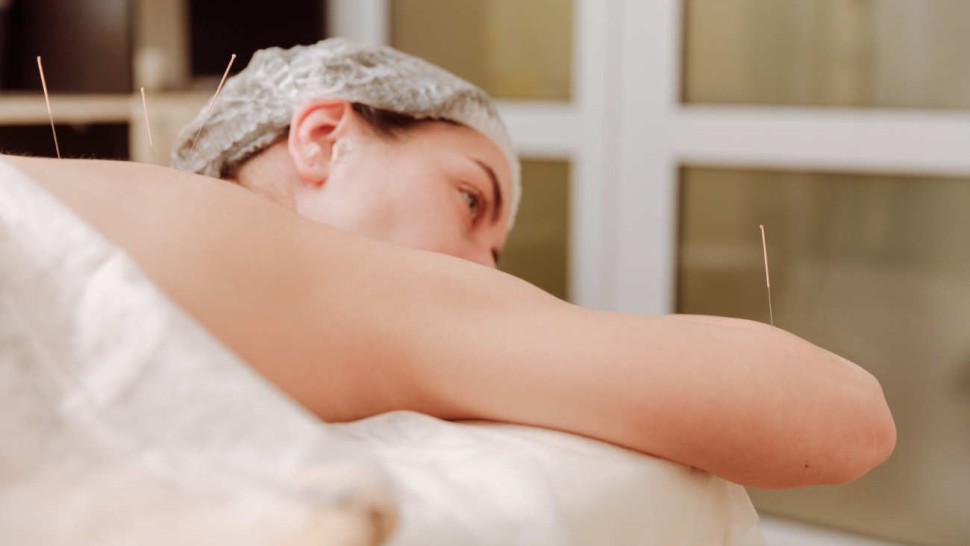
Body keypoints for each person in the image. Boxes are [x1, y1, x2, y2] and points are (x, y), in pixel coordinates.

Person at [3, 40, 895, 490]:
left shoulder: (125, 215)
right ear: (322, 137)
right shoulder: (295, 268)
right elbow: (846, 416)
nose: (485, 271)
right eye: (471, 201)